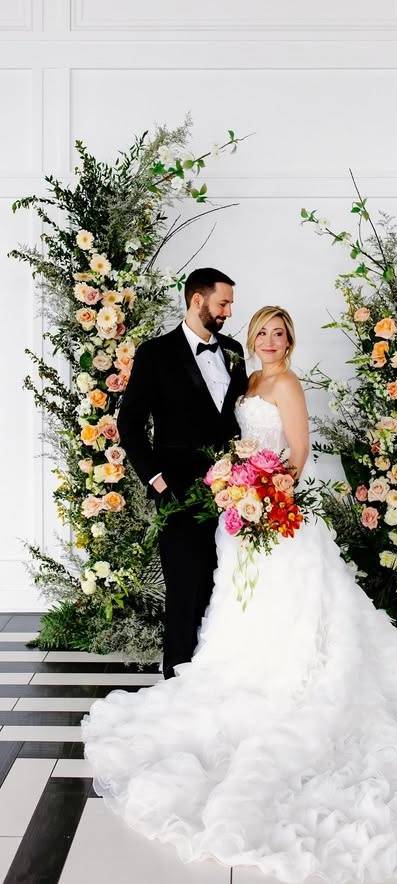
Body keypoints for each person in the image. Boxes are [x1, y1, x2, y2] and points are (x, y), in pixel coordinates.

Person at [83, 306, 397, 884]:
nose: (271, 341)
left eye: (280, 334)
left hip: (275, 519)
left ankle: (290, 683)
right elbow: (233, 443)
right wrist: (236, 488)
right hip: (240, 518)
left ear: (290, 341)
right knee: (237, 613)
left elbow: (297, 456)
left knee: (298, 621)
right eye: (263, 332)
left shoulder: (287, 385)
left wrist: (267, 497)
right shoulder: (247, 378)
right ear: (251, 338)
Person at [116, 267, 248, 680]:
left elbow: (240, 421)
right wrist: (156, 481)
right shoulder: (155, 353)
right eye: (222, 303)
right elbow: (130, 425)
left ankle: (215, 675)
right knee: (184, 586)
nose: (228, 311)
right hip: (178, 490)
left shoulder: (234, 351)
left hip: (234, 492)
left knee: (222, 583)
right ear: (197, 300)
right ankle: (176, 679)